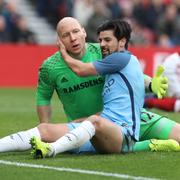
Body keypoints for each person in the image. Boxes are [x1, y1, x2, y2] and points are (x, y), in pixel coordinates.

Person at [0, 17, 179, 155]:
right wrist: (49, 129)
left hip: (133, 118)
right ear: (59, 40)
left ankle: (145, 144)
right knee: (45, 131)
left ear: (84, 32)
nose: (73, 38)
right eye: (66, 35)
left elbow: (132, 74)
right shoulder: (50, 67)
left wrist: (151, 84)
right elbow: (43, 98)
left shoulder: (102, 51)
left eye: (76, 31)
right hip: (86, 127)